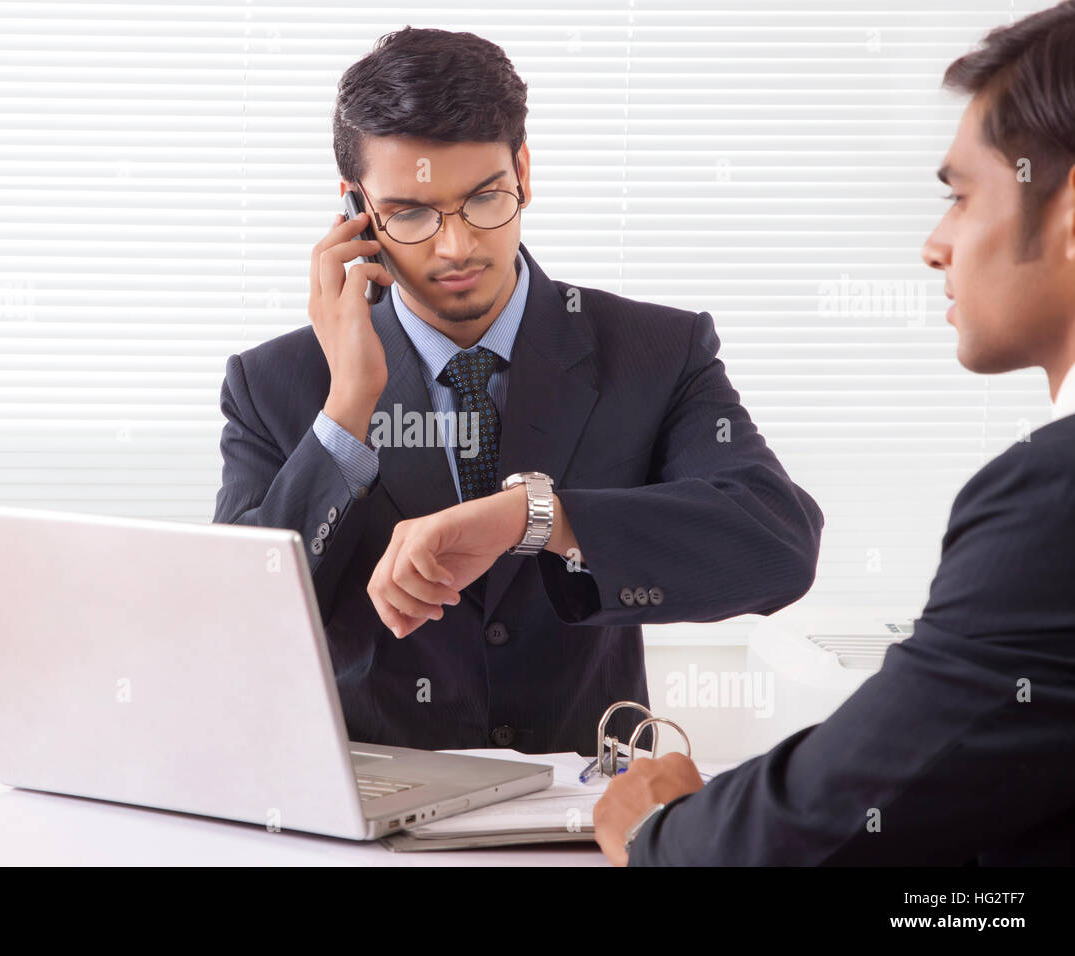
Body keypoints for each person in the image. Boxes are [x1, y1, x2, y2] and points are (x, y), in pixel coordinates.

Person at [214, 27, 822, 755]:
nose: (457, 246)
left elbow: (777, 546)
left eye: (485, 198)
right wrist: (346, 412)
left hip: (588, 819)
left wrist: (542, 519)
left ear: (524, 171)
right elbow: (237, 629)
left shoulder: (655, 351)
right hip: (370, 823)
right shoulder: (276, 383)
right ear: (356, 213)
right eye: (409, 212)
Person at [595, 0, 1075, 865]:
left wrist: (653, 833)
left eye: (962, 197)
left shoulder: (1052, 502)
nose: (936, 246)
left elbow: (832, 816)